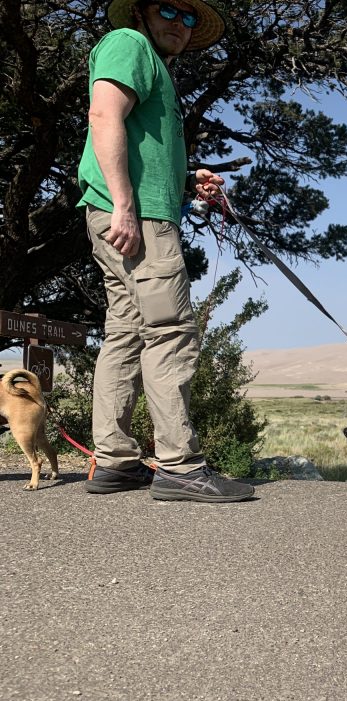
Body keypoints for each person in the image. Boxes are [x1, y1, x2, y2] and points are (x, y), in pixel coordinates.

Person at [78, 0, 254, 502]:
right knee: (170, 330)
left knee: (126, 332)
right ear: (140, 11)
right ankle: (179, 465)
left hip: (128, 209)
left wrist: (184, 180)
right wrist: (126, 206)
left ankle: (115, 462)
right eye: (170, 10)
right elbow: (103, 114)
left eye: (191, 18)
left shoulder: (150, 64)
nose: (180, 23)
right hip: (136, 219)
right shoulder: (129, 44)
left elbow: (137, 147)